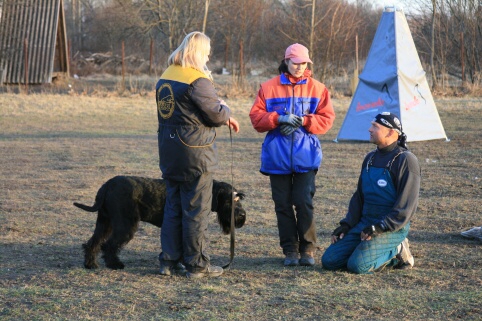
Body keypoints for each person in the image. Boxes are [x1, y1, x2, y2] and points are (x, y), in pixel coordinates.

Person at [155, 31, 240, 278]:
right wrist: (225, 108)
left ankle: (168, 261)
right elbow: (215, 114)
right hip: (195, 154)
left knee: (173, 207)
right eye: (207, 50)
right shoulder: (197, 80)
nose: (209, 55)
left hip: (169, 150)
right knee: (196, 210)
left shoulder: (166, 77)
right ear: (197, 51)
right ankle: (197, 264)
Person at [249, 43, 335, 267]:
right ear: (286, 61)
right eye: (295, 63)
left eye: (303, 63)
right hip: (277, 157)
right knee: (282, 204)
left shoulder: (318, 88)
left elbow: (327, 119)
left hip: (306, 156)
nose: (299, 67)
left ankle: (308, 249)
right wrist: (278, 119)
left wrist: (304, 121)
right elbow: (256, 119)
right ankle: (290, 250)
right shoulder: (268, 88)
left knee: (304, 201)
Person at [321, 112, 421, 274]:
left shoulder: (406, 160)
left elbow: (406, 207)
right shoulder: (370, 158)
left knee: (357, 266)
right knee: (329, 261)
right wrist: (347, 224)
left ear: (391, 132)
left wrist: (381, 227)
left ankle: (397, 249)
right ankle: (366, 251)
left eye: (375, 127)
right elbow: (359, 197)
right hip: (366, 223)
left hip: (391, 227)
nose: (369, 129)